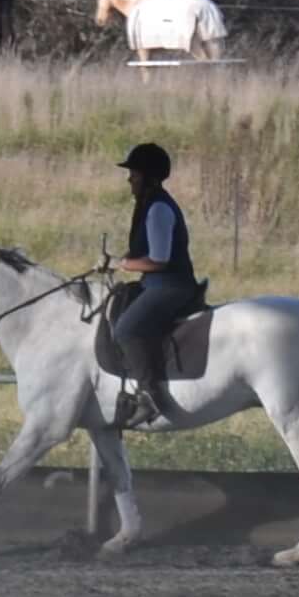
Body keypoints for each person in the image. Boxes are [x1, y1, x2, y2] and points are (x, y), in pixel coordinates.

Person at [107, 142, 208, 425]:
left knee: (126, 330)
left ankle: (149, 397)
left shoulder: (159, 209)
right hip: (154, 283)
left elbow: (158, 260)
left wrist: (121, 264)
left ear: (148, 177)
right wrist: (116, 260)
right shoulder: (148, 205)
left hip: (170, 285)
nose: (130, 179)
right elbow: (143, 251)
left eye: (134, 174)